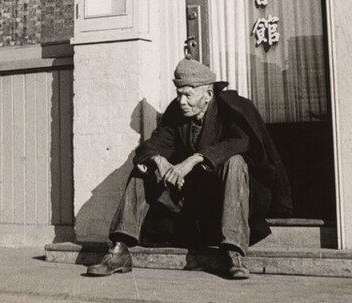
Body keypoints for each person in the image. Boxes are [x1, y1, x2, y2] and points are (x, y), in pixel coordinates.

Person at [86, 56, 294, 280]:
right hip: (189, 204)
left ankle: (233, 252)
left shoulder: (231, 108)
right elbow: (152, 145)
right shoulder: (177, 114)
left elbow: (241, 141)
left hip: (225, 204)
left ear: (208, 94)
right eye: (179, 94)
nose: (182, 101)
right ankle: (120, 250)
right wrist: (158, 159)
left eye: (188, 94)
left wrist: (195, 159)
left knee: (235, 162)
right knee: (143, 168)